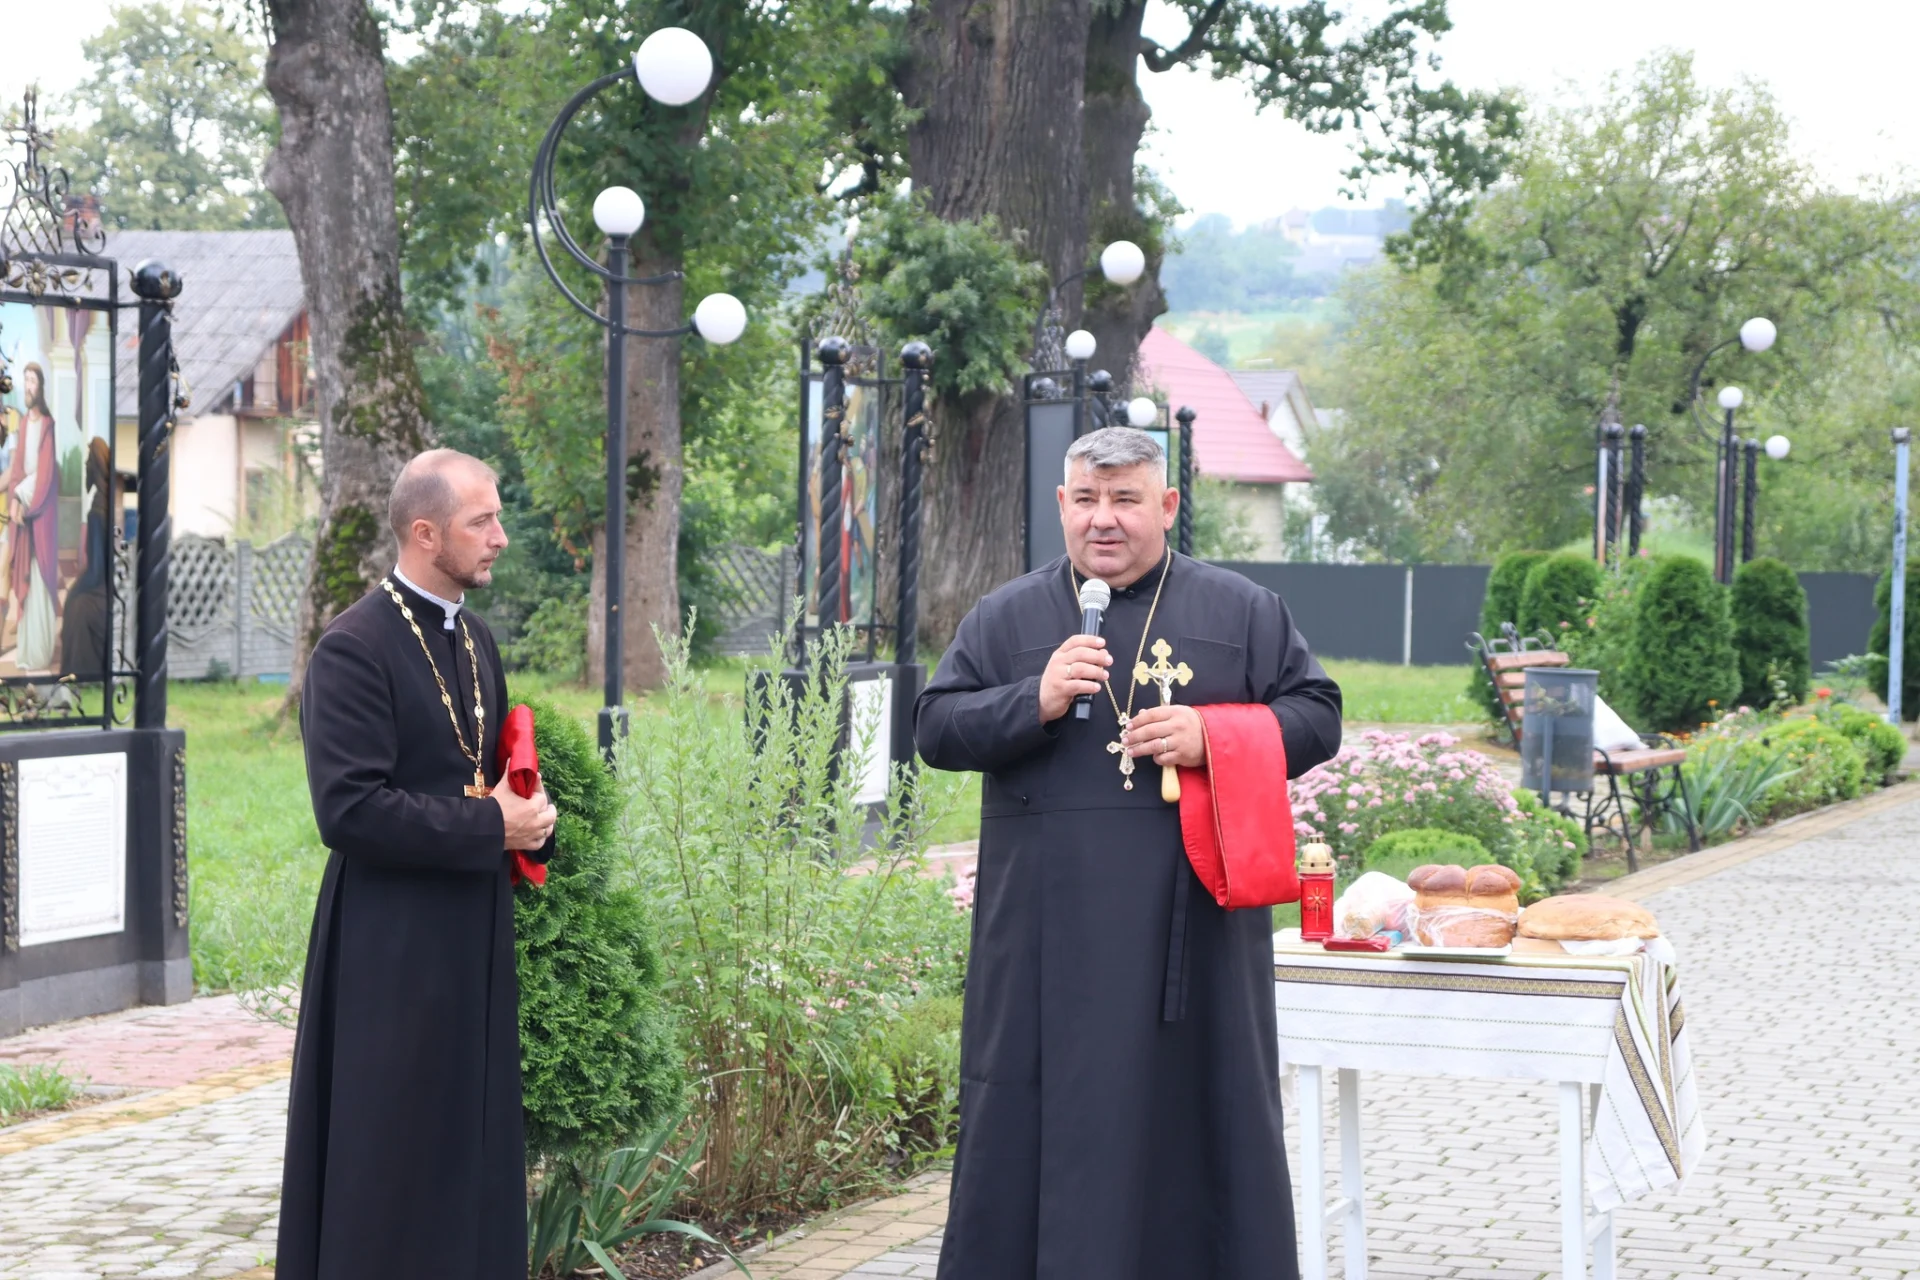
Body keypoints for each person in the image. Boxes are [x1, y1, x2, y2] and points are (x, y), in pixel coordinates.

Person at [915, 427, 1342, 1280]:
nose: (1102, 519)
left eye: (1125, 499)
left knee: (1194, 1117)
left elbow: (1318, 715)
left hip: (1192, 936)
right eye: (1085, 499)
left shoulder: (1242, 611)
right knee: (1040, 1121)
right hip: (1044, 940)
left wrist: (1213, 736)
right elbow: (934, 728)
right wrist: (1031, 700)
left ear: (1167, 505)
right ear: (1061, 505)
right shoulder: (1007, 617)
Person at [277, 448, 558, 1280]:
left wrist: (530, 822)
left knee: (467, 1148)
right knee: (390, 1155)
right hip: (388, 950)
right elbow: (349, 810)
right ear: (426, 533)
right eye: (483, 521)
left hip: (471, 938)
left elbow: (485, 777)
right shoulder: (353, 648)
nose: (500, 536)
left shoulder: (473, 638)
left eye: (498, 517)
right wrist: (491, 825)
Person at [0, 363, 61, 671]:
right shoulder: (24, 424)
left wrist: (21, 499)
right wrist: (14, 499)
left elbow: (46, 473)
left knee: (39, 576)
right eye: (25, 380)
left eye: (32, 381)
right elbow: (18, 472)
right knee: (20, 574)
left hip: (40, 514)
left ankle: (39, 651)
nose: (27, 386)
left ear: (41, 386)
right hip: (23, 512)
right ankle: (26, 649)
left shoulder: (48, 425)